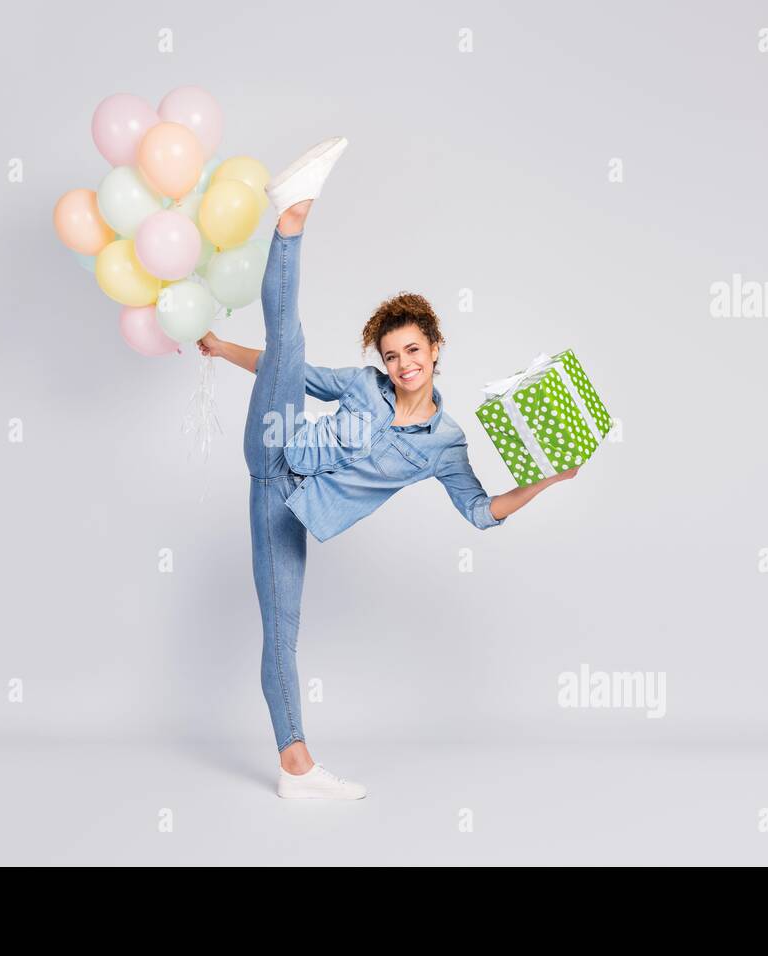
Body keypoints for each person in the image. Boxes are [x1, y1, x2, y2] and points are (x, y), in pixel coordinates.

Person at [197, 136, 580, 799]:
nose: (403, 365)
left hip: (284, 507)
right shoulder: (362, 386)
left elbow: (480, 513)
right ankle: (292, 217)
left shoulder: (444, 442)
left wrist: (548, 481)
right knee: (292, 341)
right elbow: (289, 370)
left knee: (281, 632)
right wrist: (219, 346)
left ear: (435, 350)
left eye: (412, 352)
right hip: (275, 445)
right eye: (392, 354)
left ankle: (296, 769)